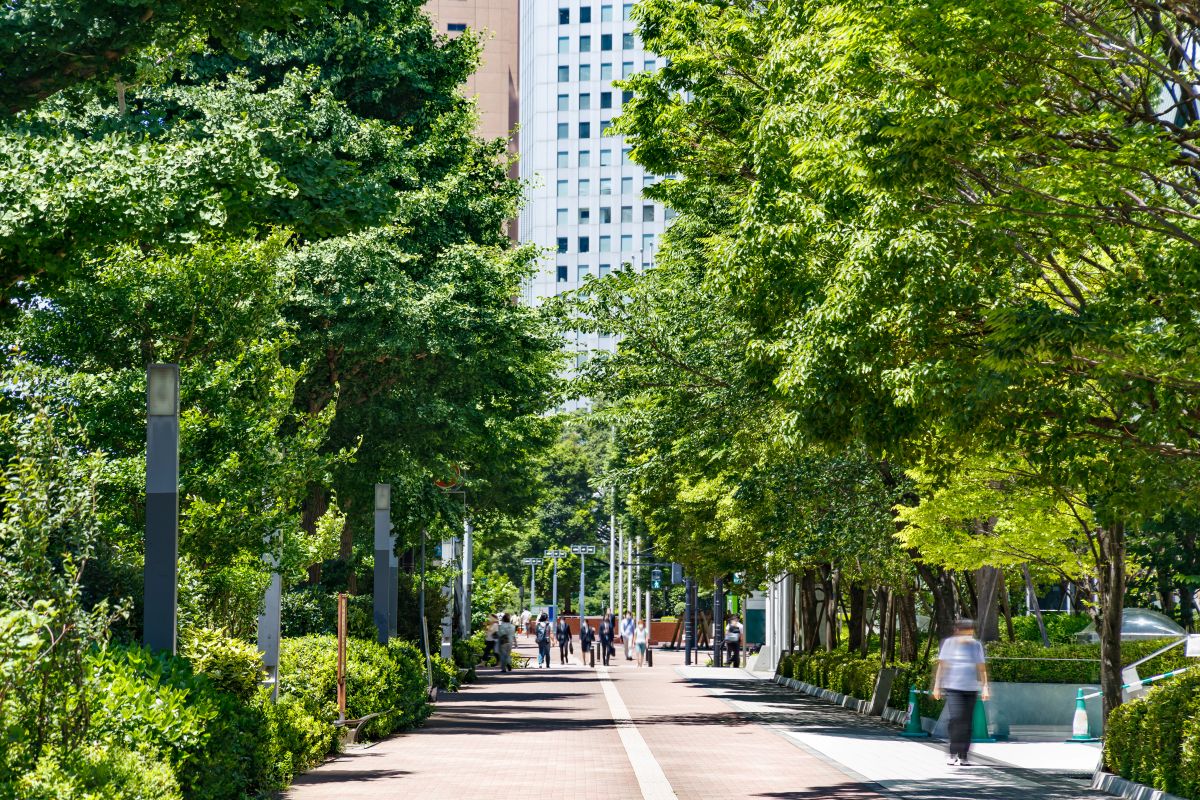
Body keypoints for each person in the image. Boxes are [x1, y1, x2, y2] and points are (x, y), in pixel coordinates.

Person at [932, 619, 989, 766]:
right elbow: (942, 667)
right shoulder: (949, 644)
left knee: (967, 722)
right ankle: (953, 751)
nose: (968, 637)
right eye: (965, 633)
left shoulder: (976, 646)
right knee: (956, 719)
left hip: (970, 688)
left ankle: (964, 755)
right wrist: (937, 686)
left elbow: (981, 668)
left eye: (970, 633)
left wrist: (985, 687)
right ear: (957, 631)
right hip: (953, 688)